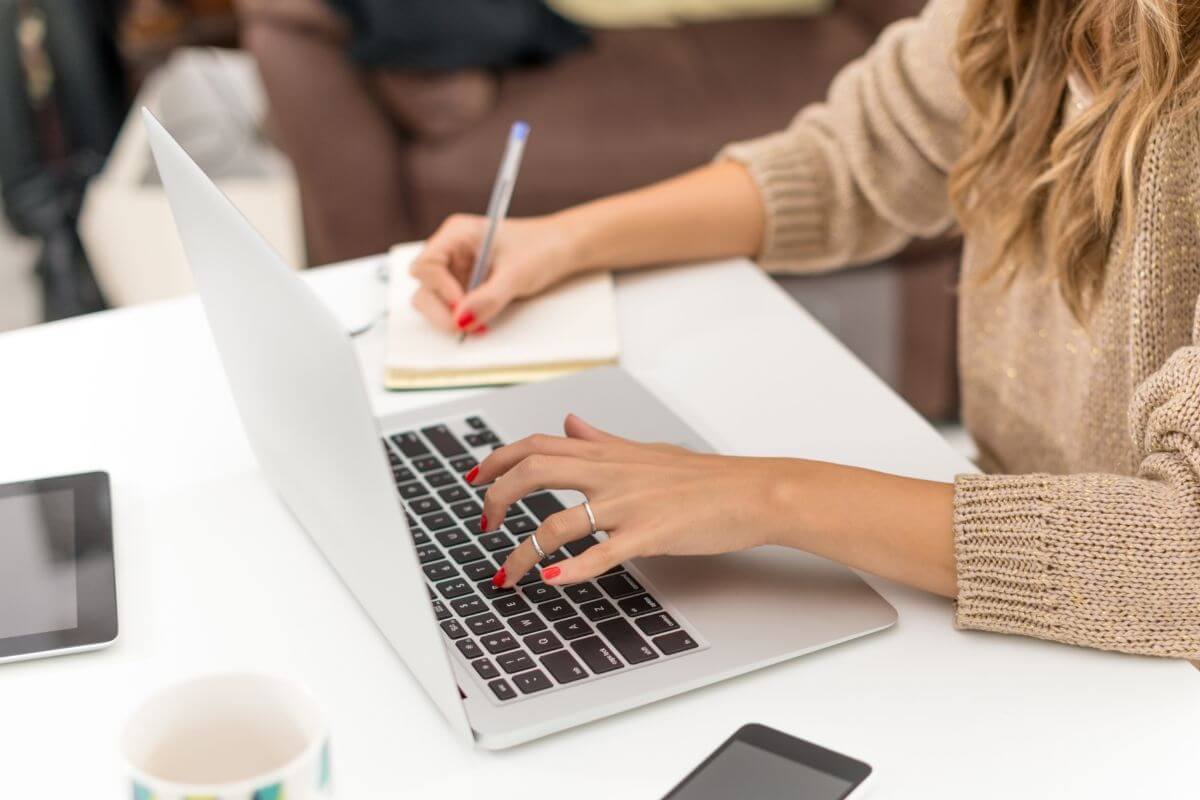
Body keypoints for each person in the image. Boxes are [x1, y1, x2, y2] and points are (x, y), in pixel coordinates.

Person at [408, 0, 1200, 659]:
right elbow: (851, 162)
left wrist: (763, 494)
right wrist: (566, 240)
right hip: (1008, 579)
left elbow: (1186, 554)